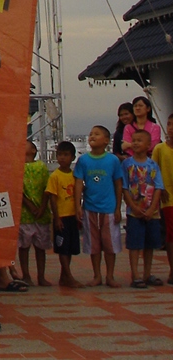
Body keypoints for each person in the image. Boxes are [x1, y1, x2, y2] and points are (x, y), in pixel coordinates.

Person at [74, 124, 124, 287]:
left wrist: (118, 208)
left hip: (109, 209)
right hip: (90, 208)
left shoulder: (113, 160)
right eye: (91, 134)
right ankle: (97, 275)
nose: (92, 136)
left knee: (110, 245)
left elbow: (118, 184)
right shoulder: (83, 160)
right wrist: (78, 206)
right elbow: (78, 183)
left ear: (106, 140)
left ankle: (110, 276)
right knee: (93, 245)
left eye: (97, 134)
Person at [122, 127, 165, 287]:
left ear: (148, 145)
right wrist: (132, 206)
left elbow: (158, 187)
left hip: (152, 213)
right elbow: (124, 187)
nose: (135, 143)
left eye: (139, 141)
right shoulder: (127, 164)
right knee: (134, 244)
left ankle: (147, 274)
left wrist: (153, 208)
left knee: (150, 244)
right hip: (134, 212)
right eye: (133, 140)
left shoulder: (153, 165)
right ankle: (135, 275)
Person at [46, 140, 80, 287]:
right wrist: (57, 218)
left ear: (73, 157)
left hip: (72, 216)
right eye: (60, 155)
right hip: (62, 217)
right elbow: (52, 198)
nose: (62, 158)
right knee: (63, 248)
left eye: (66, 155)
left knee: (70, 248)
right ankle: (69, 276)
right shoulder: (55, 176)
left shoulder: (75, 176)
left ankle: (64, 276)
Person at [18, 141, 52, 285]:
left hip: (41, 215)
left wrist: (42, 207)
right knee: (23, 247)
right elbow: (17, 190)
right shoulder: (17, 167)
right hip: (24, 215)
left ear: (33, 150)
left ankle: (41, 276)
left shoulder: (41, 167)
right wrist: (30, 206)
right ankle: (26, 275)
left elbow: (47, 188)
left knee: (40, 247)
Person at [152, 113, 173, 285]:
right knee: (171, 234)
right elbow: (153, 171)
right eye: (169, 124)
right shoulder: (160, 149)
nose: (171, 128)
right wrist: (160, 189)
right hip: (168, 197)